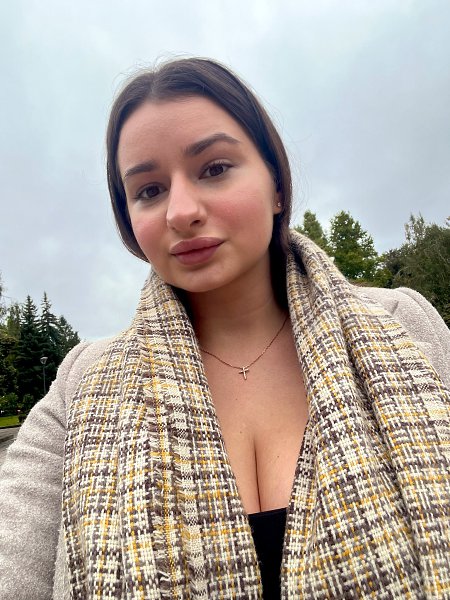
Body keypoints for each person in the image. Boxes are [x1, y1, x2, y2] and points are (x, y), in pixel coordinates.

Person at [0, 57, 449, 600]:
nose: (181, 211)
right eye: (149, 190)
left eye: (214, 168)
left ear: (277, 186)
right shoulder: (80, 385)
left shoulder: (405, 326)